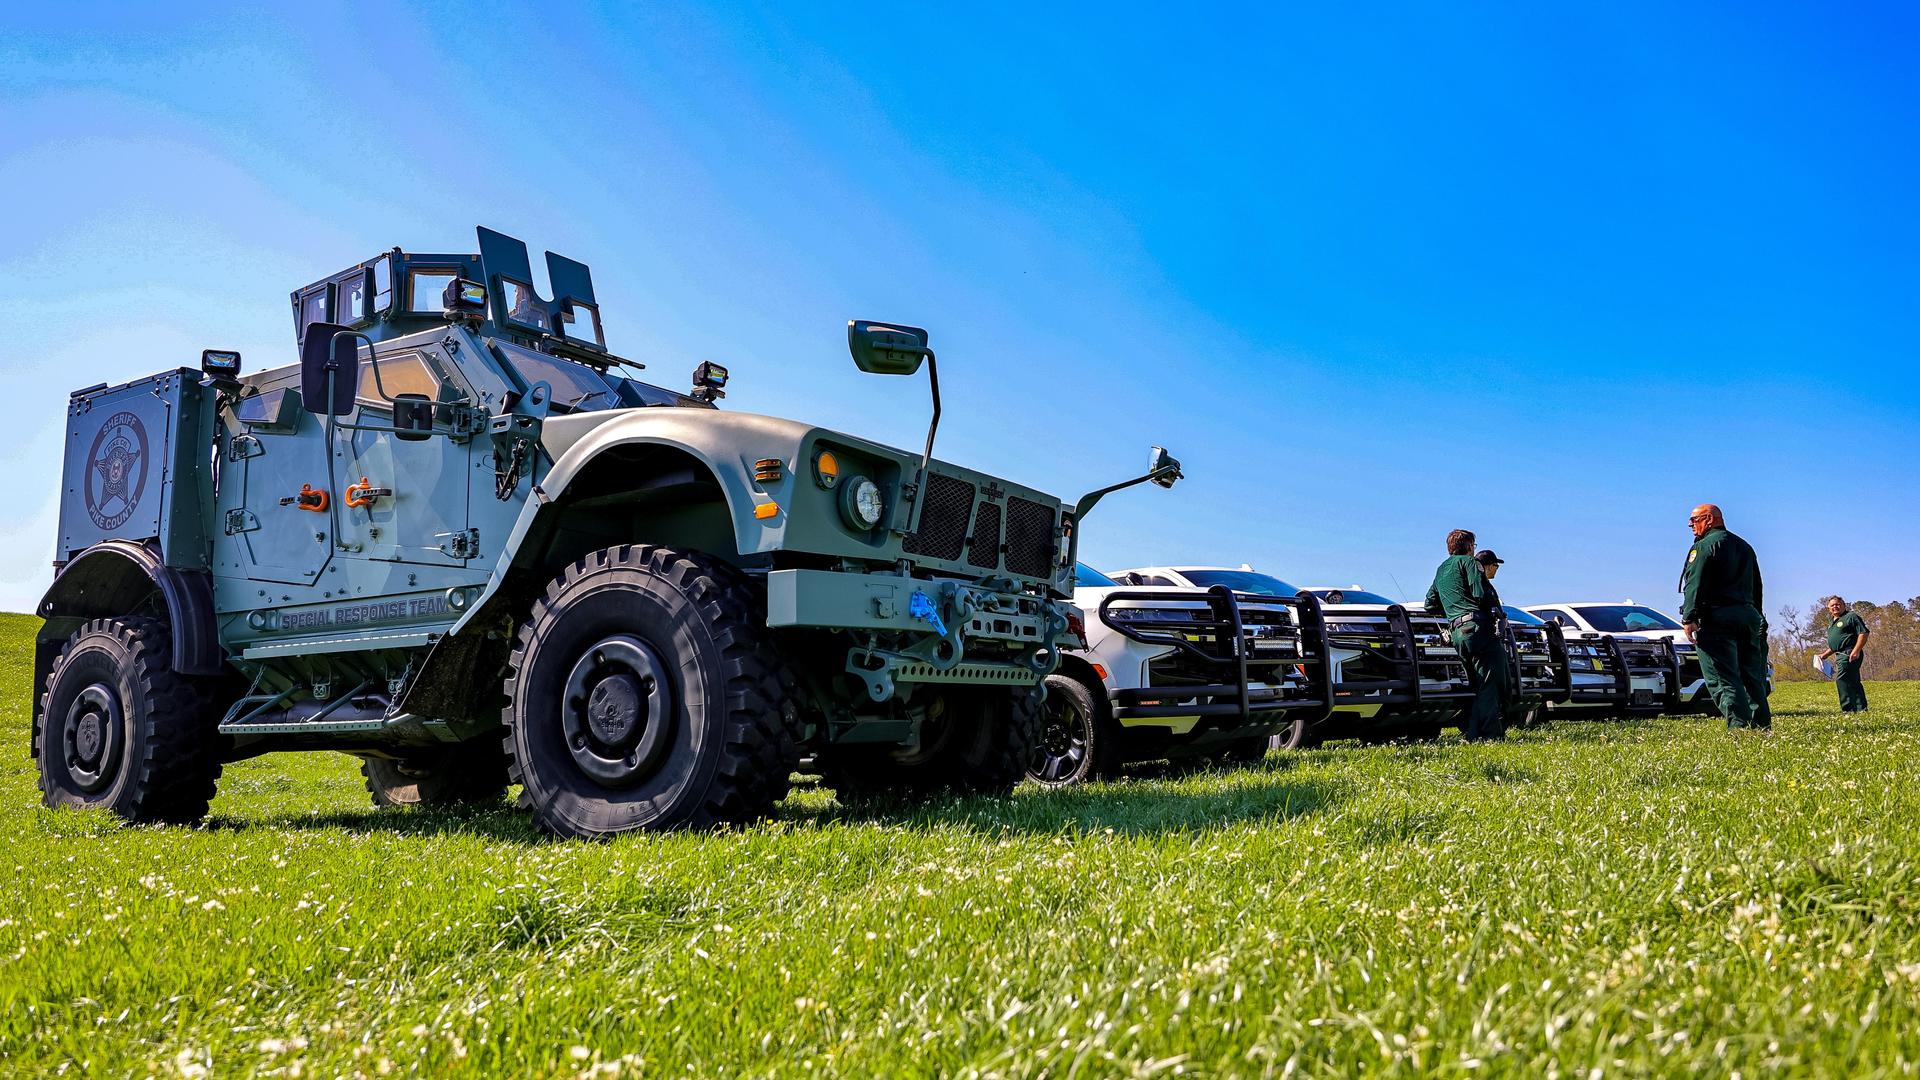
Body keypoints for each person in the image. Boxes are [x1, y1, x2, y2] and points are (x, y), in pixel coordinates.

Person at [1678, 504, 1772, 730]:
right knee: (1752, 675)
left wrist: (1689, 617)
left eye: (1694, 519)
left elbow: (1695, 584)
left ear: (1709, 519)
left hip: (1717, 618)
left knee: (1722, 676)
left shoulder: (1704, 546)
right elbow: (1756, 586)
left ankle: (1739, 728)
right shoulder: (1745, 546)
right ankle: (1760, 725)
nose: (1691, 525)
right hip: (1748, 615)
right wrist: (1757, 616)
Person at [1425, 529, 1511, 741]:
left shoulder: (1441, 569)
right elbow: (1480, 593)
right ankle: (1491, 734)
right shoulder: (1470, 563)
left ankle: (1473, 733)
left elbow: (1430, 604)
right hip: (1478, 629)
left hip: (1457, 633)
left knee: (1476, 684)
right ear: (1469, 545)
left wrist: (1454, 610)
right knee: (1492, 682)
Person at [1818, 595, 1870, 713]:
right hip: (1840, 654)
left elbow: (1863, 633)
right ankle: (1861, 709)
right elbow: (1836, 644)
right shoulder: (1832, 622)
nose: (1835, 607)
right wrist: (1825, 655)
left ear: (1843, 605)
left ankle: (1848, 709)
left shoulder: (1850, 617)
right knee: (1853, 681)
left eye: (1838, 604)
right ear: (1828, 608)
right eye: (1832, 605)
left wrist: (1856, 650)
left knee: (1842, 680)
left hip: (1849, 653)